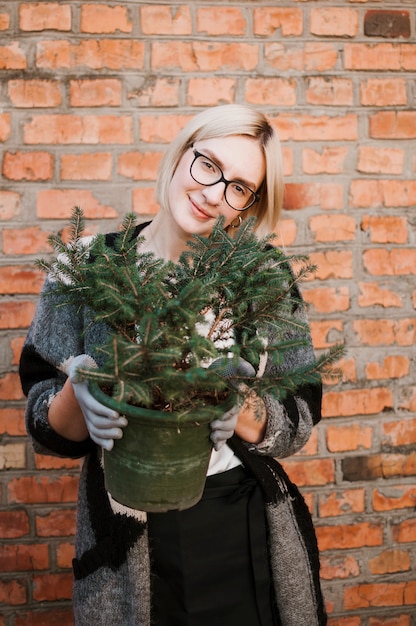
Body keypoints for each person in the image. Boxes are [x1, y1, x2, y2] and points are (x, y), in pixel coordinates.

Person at [19, 104, 326, 626]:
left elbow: (300, 412)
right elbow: (43, 413)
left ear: (248, 206)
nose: (213, 193)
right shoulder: (87, 268)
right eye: (208, 165)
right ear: (183, 153)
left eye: (239, 187)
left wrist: (244, 408)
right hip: (127, 530)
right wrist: (80, 392)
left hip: (242, 523)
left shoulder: (262, 277)